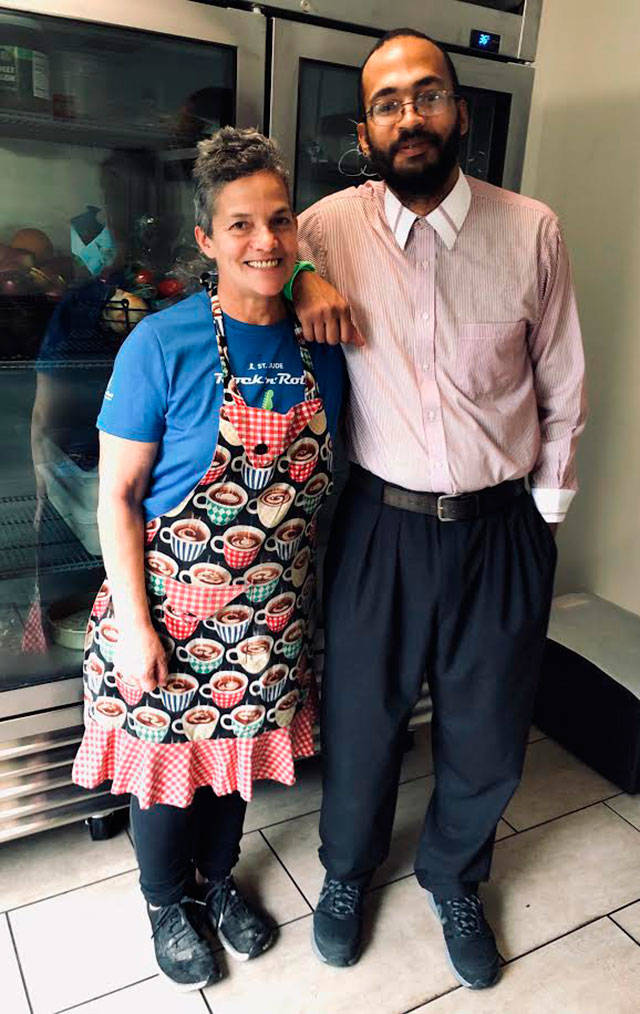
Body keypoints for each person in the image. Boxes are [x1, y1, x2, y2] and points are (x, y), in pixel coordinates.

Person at [290, 29, 587, 989]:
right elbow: (250, 264)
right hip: (380, 523)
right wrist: (300, 276)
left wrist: (541, 515)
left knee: (489, 723)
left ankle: (454, 872)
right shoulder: (328, 226)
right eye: (387, 102)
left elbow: (562, 379)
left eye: (427, 95)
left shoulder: (531, 227)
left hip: (502, 525)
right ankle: (346, 872)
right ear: (365, 127)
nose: (409, 116)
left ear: (459, 110)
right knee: (366, 716)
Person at [72, 127, 344, 991]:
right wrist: (137, 631)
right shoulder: (162, 344)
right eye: (240, 225)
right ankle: (166, 901)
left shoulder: (323, 346)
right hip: (170, 613)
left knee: (234, 771)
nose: (264, 240)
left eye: (280, 221)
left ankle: (219, 883)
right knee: (165, 776)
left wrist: (311, 281)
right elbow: (116, 495)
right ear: (206, 240)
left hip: (271, 614)